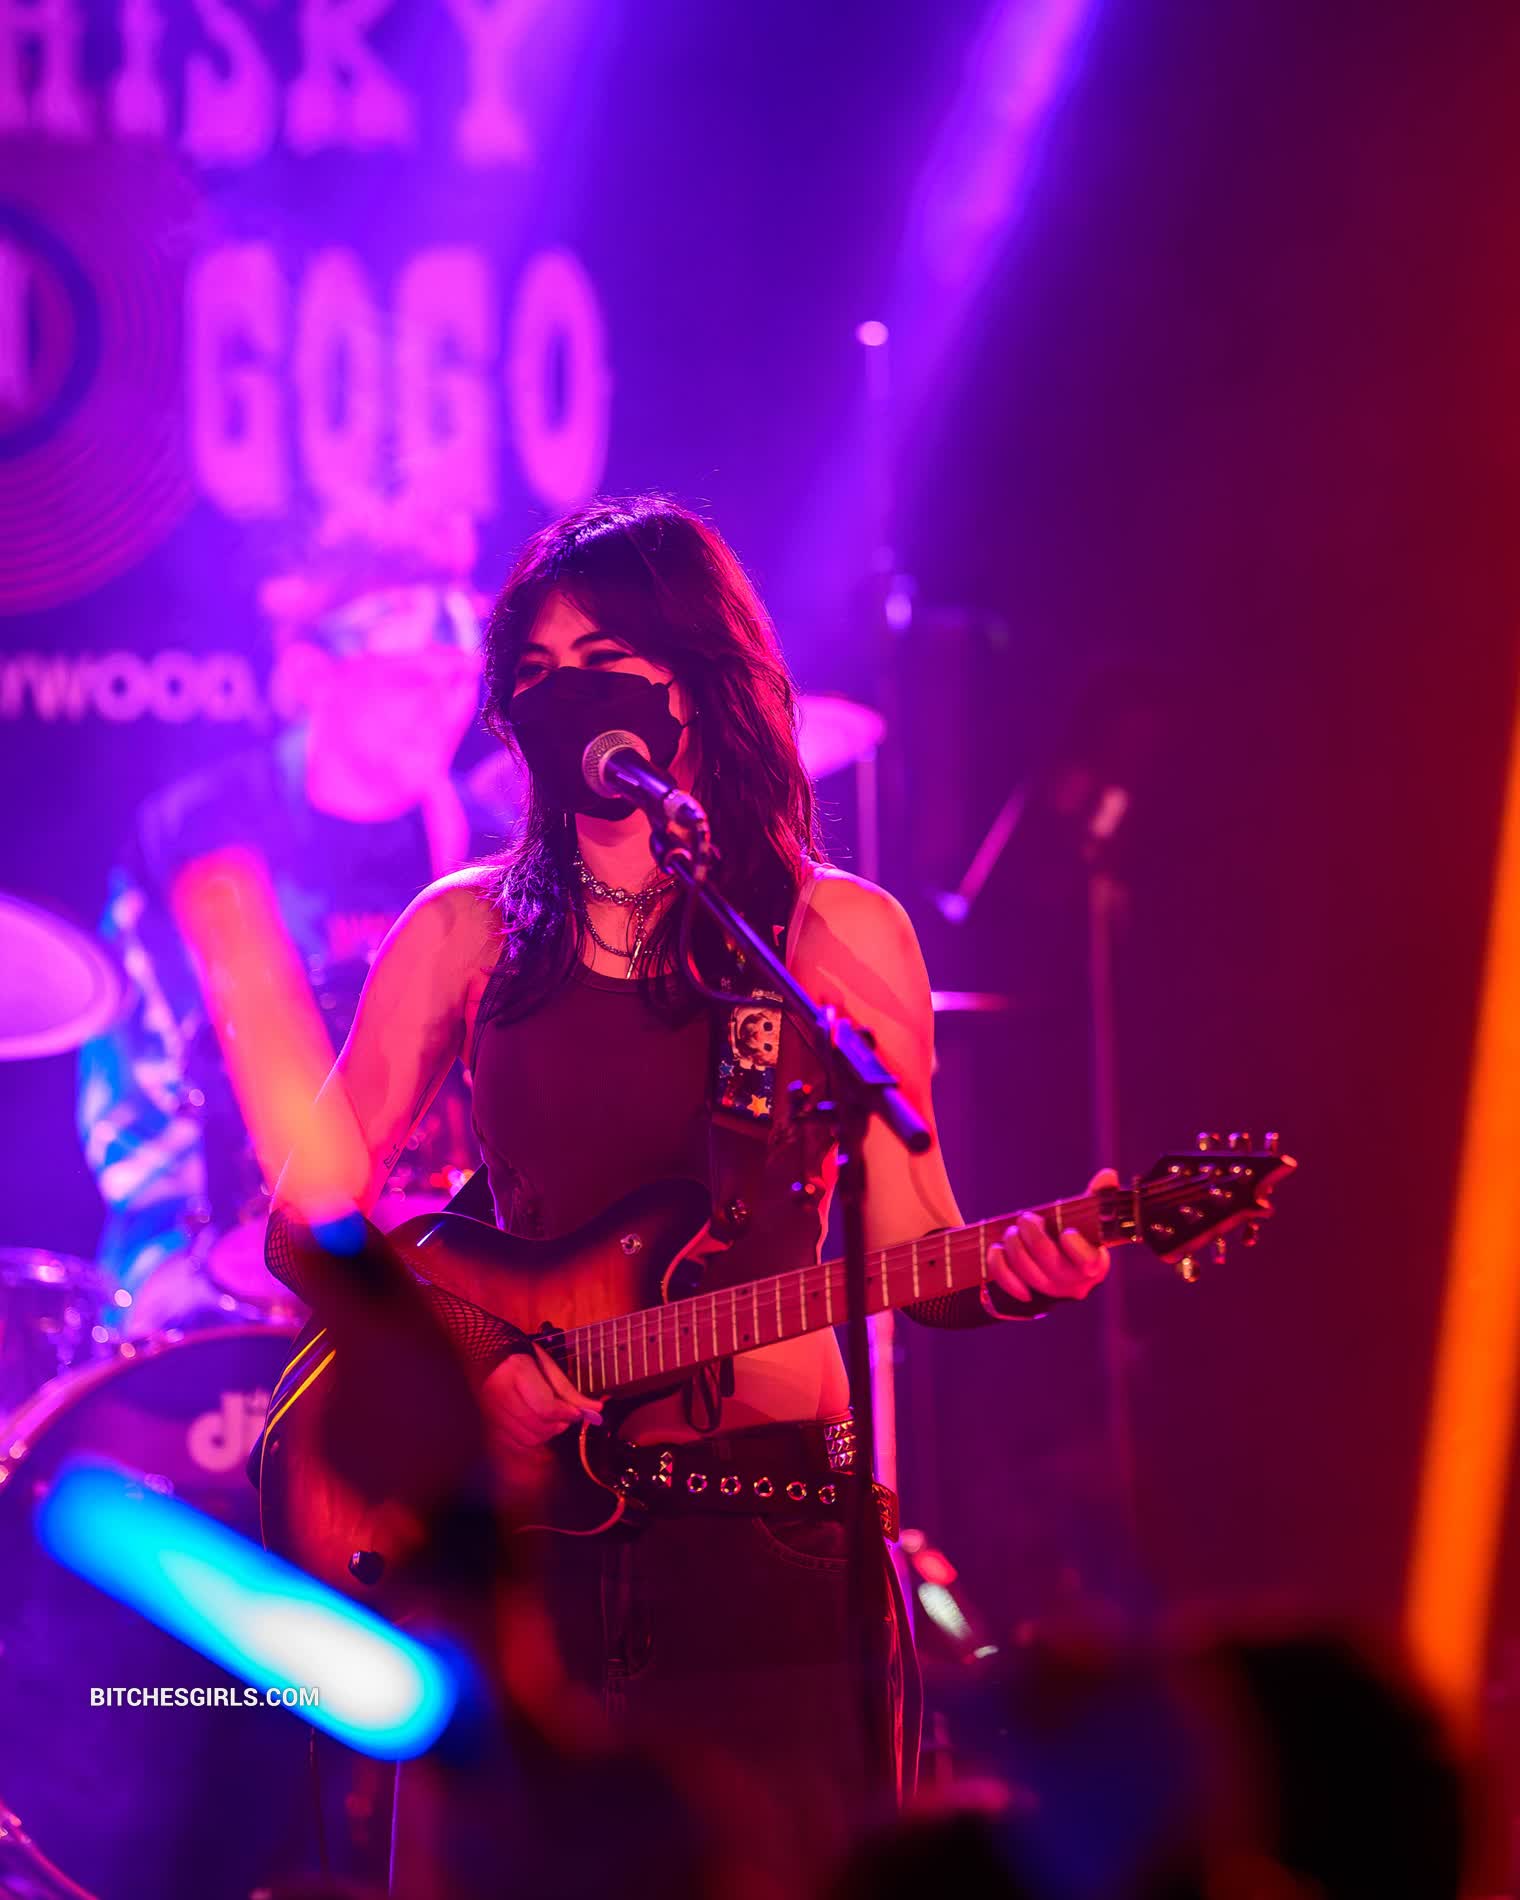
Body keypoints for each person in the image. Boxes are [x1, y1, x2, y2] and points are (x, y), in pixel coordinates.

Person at [266, 494, 1114, 1893]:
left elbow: (915, 1244)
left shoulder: (832, 935)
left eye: (602, 660)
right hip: (532, 1554)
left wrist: (1020, 1269)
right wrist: (463, 1370)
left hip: (768, 1551)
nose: (563, 695)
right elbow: (312, 1221)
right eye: (533, 672)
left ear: (695, 678)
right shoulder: (462, 930)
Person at [77, 510, 509, 1329]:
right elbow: (135, 1097)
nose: (444, 709)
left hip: (444, 1273)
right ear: (313, 675)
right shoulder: (200, 838)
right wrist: (186, 1267)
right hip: (222, 1280)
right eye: (410, 680)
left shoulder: (492, 849)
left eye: (459, 680)